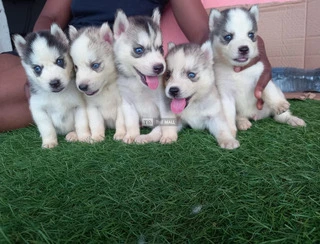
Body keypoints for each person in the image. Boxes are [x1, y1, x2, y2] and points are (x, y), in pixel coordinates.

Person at [0, 0, 271, 132]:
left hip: (109, 59)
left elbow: (202, 31)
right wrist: (43, 57)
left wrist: (243, 43)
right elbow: (50, 15)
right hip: (64, 54)